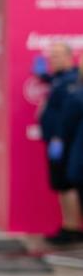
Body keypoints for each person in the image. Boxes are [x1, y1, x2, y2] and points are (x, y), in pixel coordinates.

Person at [38, 42, 83, 245]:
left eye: (56, 55)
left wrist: (60, 139)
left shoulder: (72, 82)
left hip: (66, 142)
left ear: (68, 57)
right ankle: (69, 225)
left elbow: (69, 116)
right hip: (58, 141)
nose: (52, 59)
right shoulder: (60, 79)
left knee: (67, 183)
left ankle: (72, 228)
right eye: (51, 55)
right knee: (61, 184)